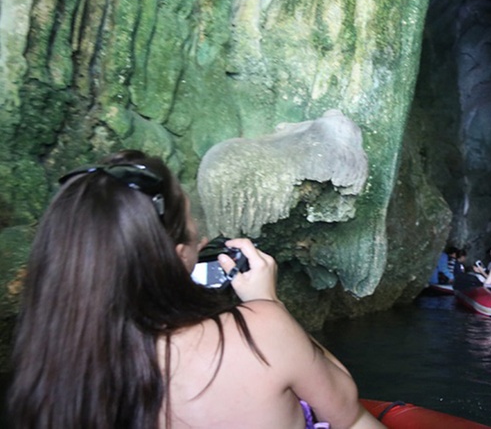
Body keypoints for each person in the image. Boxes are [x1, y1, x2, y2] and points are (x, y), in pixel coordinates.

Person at [7, 150, 384, 429]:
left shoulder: (45, 373)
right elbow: (348, 414)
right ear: (174, 257)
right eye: (193, 231)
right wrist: (267, 304)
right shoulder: (260, 331)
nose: (203, 237)